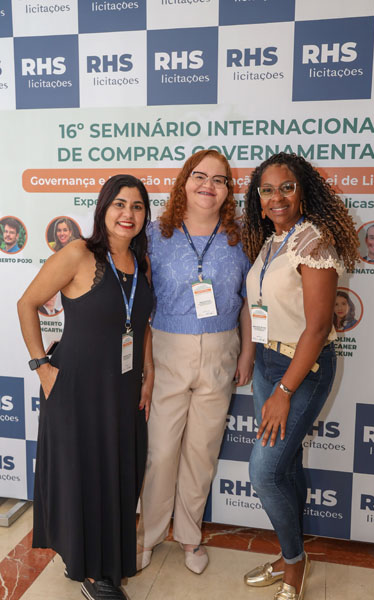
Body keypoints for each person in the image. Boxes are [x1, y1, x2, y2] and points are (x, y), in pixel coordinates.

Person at [17, 175, 154, 600]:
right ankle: (94, 574)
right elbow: (26, 303)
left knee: (119, 475)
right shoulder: (78, 253)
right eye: (119, 204)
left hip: (125, 388)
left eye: (137, 206)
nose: (128, 214)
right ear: (103, 208)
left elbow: (141, 325)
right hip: (76, 388)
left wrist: (147, 374)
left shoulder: (142, 262)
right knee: (85, 477)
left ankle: (91, 558)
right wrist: (42, 368)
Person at [242, 153, 359, 600]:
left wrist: (284, 391)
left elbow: (316, 327)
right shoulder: (273, 240)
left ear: (303, 191)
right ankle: (290, 554)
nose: (277, 197)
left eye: (286, 187)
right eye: (268, 190)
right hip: (268, 363)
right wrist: (253, 358)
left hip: (302, 370)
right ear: (259, 198)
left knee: (264, 473)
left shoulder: (314, 242)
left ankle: (294, 565)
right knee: (285, 466)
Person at [137, 149, 254, 575]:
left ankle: (190, 536)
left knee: (202, 451)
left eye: (219, 180)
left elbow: (248, 301)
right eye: (200, 176)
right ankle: (147, 535)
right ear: (184, 182)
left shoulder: (241, 237)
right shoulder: (155, 234)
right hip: (167, 350)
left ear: (228, 190)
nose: (209, 186)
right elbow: (140, 303)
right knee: (161, 450)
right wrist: (146, 364)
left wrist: (247, 352)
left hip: (222, 351)